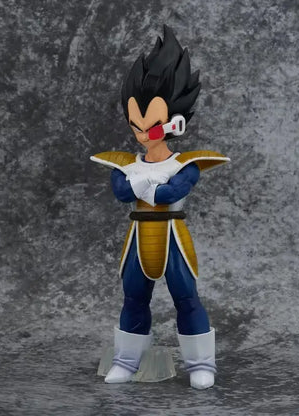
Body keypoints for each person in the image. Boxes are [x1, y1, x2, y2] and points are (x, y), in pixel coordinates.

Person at [90, 25, 230, 389]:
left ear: (174, 122)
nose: (141, 133)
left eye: (150, 126)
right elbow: (122, 192)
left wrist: (144, 184)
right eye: (135, 125)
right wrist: (148, 183)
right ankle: (126, 361)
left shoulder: (187, 163)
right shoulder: (125, 163)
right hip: (138, 238)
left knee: (187, 298)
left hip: (173, 238)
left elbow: (172, 192)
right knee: (134, 299)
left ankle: (201, 364)